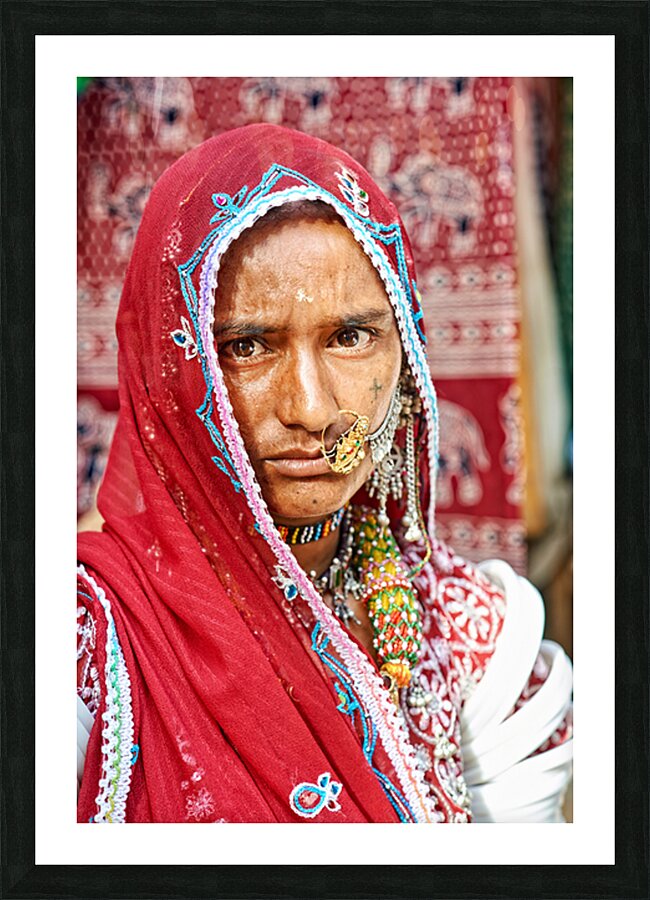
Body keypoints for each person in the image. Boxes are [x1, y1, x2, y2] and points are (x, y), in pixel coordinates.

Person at [77, 124, 572, 824]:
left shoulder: (477, 641)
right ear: (167, 368)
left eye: (350, 337)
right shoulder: (84, 645)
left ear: (406, 354)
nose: (311, 410)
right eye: (246, 346)